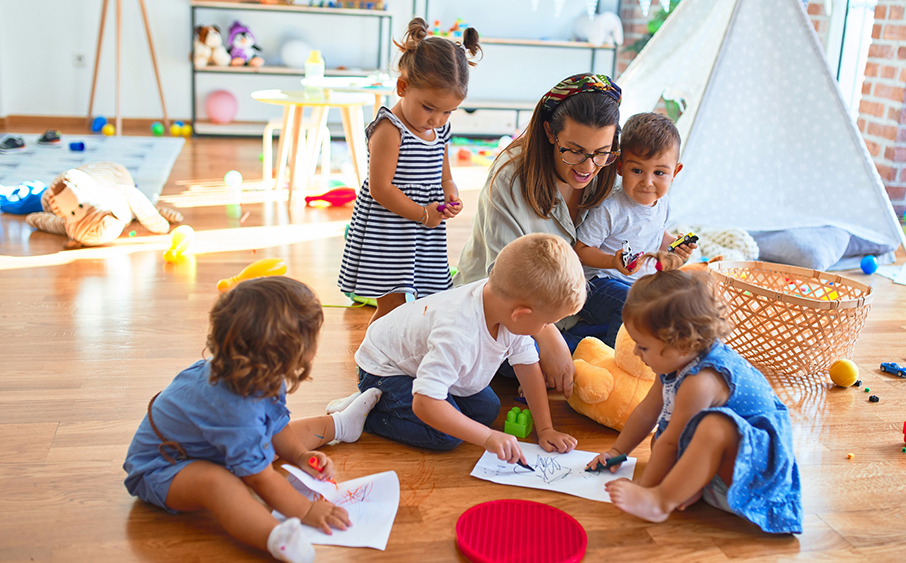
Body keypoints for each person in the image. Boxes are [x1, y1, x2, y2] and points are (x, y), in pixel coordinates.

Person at [123, 277, 383, 563]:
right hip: (162, 469)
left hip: (211, 447)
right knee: (219, 484)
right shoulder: (237, 412)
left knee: (278, 436)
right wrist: (306, 511)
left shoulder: (256, 373)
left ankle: (342, 425)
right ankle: (275, 538)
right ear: (288, 351)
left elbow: (276, 425)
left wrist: (300, 456)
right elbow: (260, 481)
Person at [588, 253, 802, 535]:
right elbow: (646, 412)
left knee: (713, 428)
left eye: (643, 346)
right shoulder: (674, 361)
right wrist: (618, 452)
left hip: (756, 475)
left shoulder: (701, 381)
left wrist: (645, 489)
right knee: (664, 437)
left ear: (682, 343)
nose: (636, 353)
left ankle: (661, 500)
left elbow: (672, 444)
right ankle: (690, 487)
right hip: (722, 470)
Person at [339, 233, 584, 462]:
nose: (548, 328)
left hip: (418, 360)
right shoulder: (458, 332)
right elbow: (424, 403)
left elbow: (528, 366)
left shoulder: (504, 304)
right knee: (447, 436)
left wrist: (545, 429)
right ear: (520, 314)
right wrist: (487, 437)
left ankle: (388, 402)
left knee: (487, 409)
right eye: (548, 322)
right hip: (384, 369)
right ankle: (367, 413)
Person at [454, 73, 622, 397]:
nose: (588, 167)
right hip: (514, 311)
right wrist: (548, 336)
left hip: (570, 305)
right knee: (509, 350)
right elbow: (503, 284)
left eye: (602, 152)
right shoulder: (509, 177)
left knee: (640, 311)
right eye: (574, 150)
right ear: (549, 132)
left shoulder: (608, 168)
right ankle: (570, 365)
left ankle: (566, 366)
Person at [338, 17, 481, 325]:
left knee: (429, 302)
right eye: (429, 107)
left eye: (447, 111)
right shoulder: (391, 129)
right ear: (402, 87)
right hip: (389, 230)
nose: (437, 119)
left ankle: (409, 351)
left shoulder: (440, 130)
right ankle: (375, 364)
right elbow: (380, 189)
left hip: (425, 230)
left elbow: (445, 175)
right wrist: (421, 213)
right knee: (391, 306)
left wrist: (451, 195)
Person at [568, 112, 696, 351]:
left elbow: (657, 235)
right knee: (633, 304)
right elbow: (581, 250)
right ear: (620, 167)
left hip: (637, 283)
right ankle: (607, 357)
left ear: (675, 172)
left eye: (659, 173)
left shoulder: (663, 202)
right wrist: (613, 262)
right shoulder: (611, 207)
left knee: (679, 299)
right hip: (597, 283)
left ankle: (585, 337)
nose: (648, 182)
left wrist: (674, 247)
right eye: (637, 170)